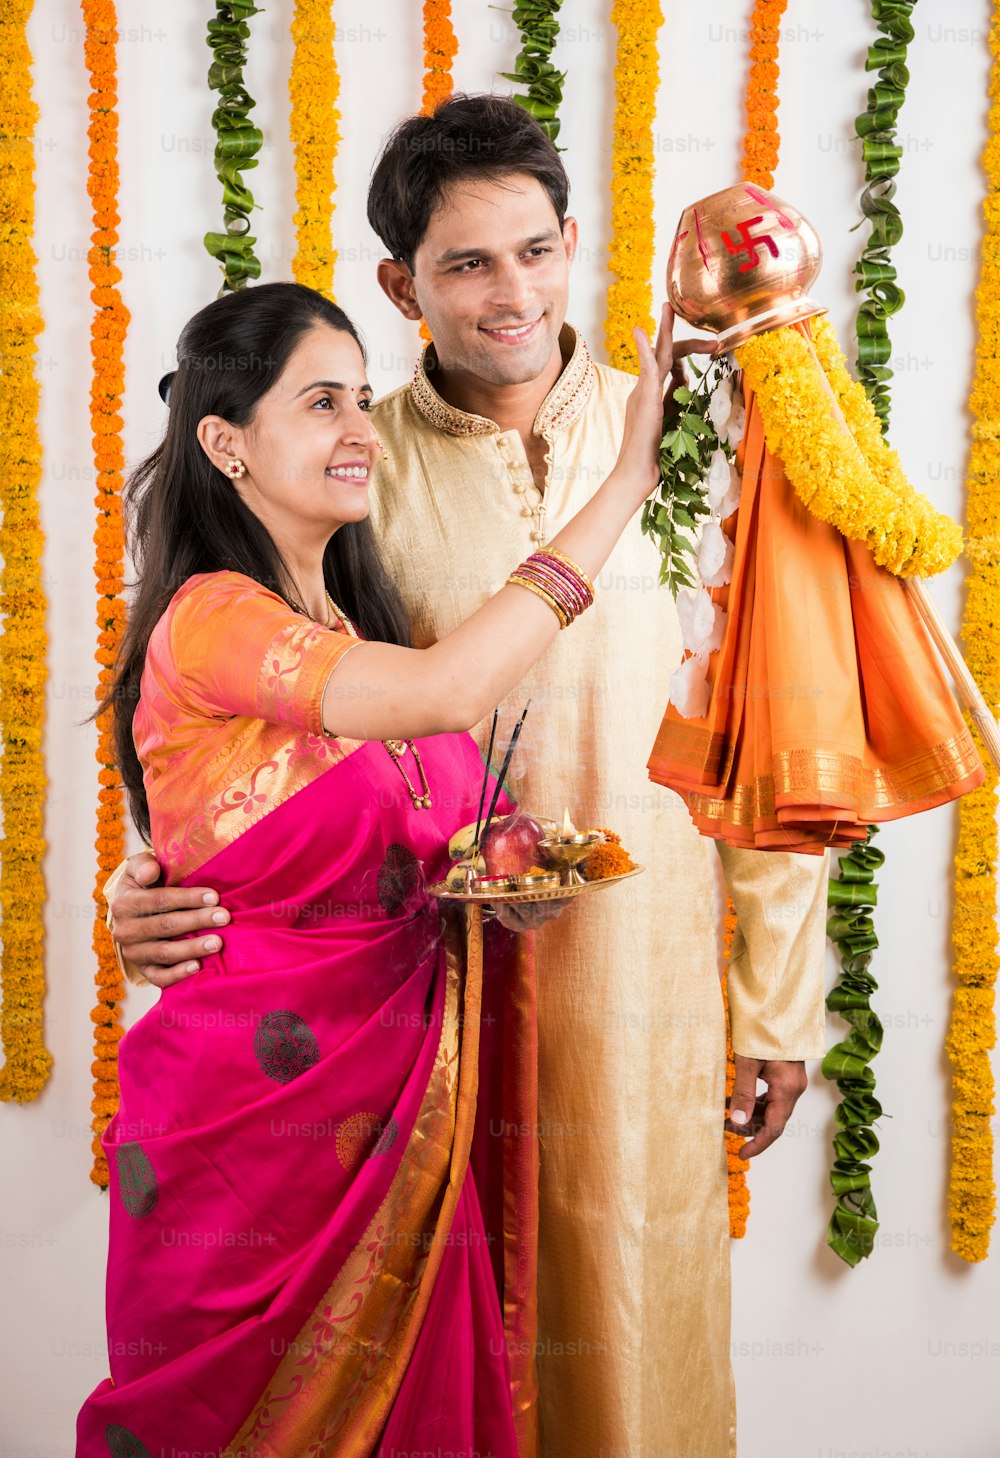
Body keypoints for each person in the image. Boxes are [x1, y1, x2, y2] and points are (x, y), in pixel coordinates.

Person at [108, 97, 832, 1457]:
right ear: (401, 285)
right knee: (438, 1337)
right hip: (420, 1017)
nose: (515, 294)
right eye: (465, 264)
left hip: (645, 989)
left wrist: (776, 1000)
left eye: (536, 251)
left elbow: (763, 731)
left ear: (572, 248)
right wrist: (137, 884)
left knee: (632, 1329)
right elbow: (249, 728)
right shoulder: (344, 462)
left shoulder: (690, 443)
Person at [77, 280, 675, 1456]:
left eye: (361, 396)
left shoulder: (362, 638)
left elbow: (476, 838)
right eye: (320, 402)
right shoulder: (212, 620)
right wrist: (627, 482)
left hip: (410, 1130)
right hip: (253, 1151)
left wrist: (522, 879)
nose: (361, 428)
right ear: (224, 442)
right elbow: (456, 688)